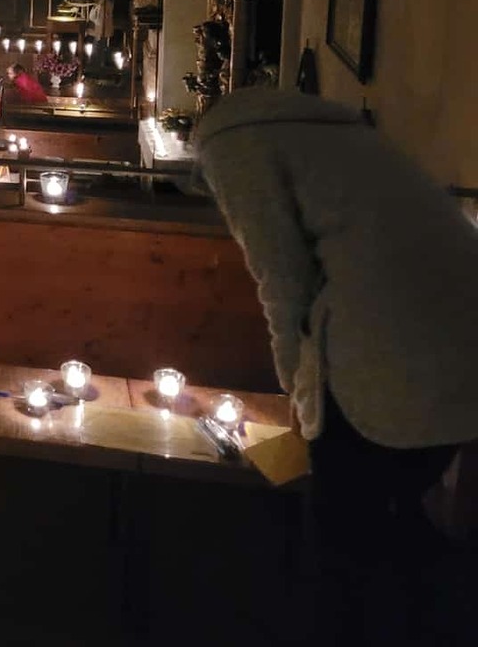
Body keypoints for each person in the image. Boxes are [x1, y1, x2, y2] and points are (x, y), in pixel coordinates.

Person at [195, 90, 478, 644]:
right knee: (403, 523)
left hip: (386, 358)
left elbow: (281, 281)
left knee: (341, 543)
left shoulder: (233, 147)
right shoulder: (331, 130)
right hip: (459, 348)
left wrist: (296, 392)